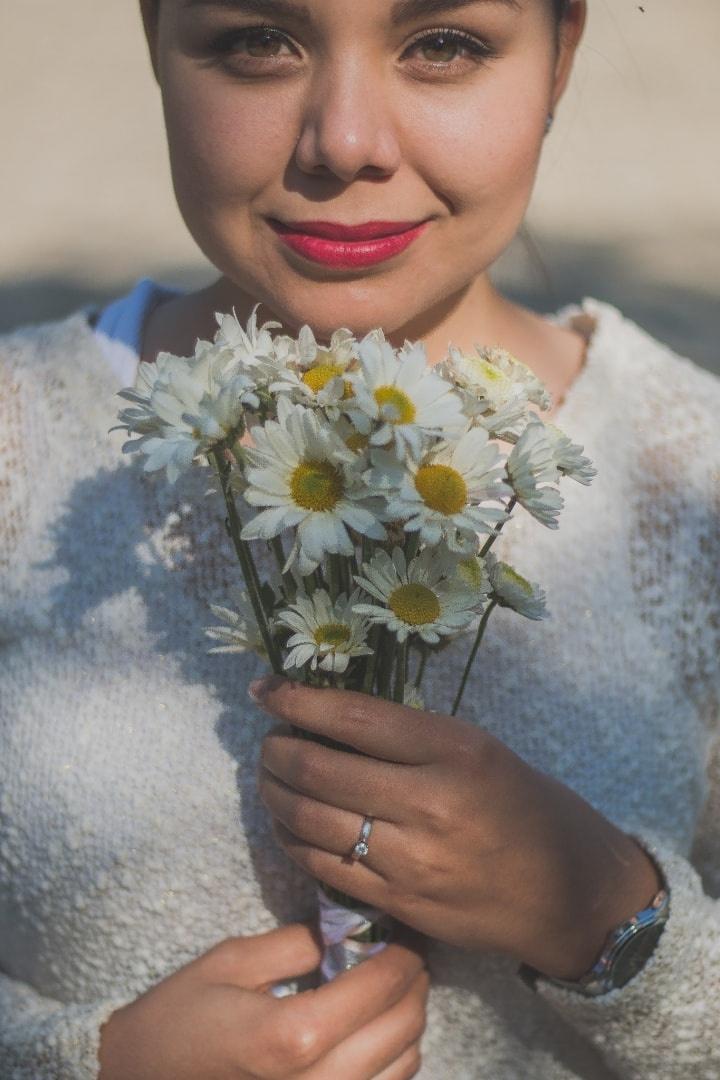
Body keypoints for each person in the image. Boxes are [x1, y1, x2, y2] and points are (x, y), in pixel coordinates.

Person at [0, 0, 718, 1077]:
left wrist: (609, 913)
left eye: (444, 45)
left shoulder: (692, 480)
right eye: (256, 41)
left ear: (561, 55)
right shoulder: (24, 444)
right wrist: (87, 1063)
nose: (344, 140)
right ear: (154, 37)